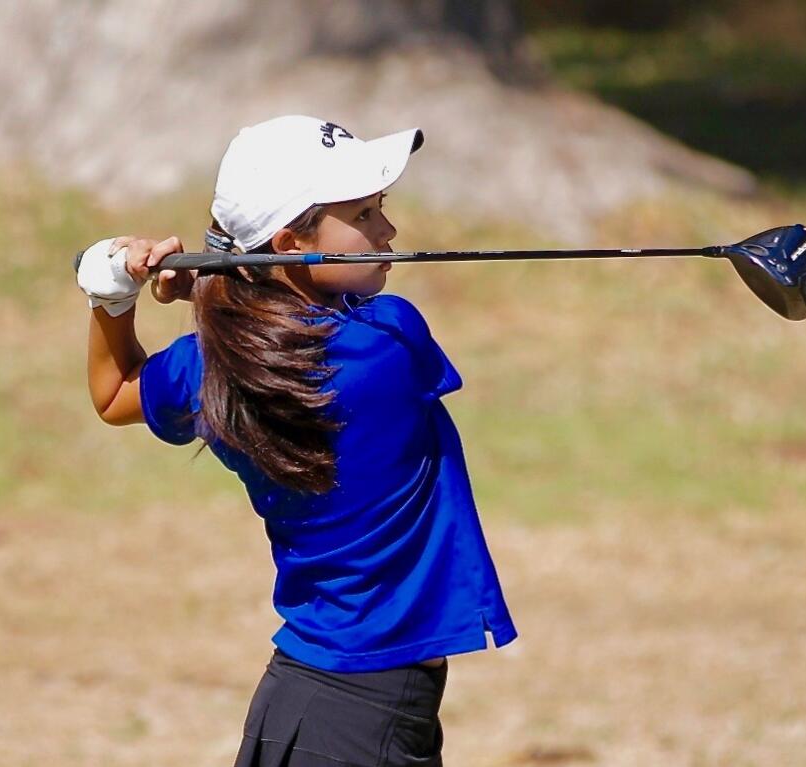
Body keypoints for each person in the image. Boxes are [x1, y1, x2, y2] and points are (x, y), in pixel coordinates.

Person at [80, 115, 516, 767]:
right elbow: (327, 323)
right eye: (364, 214)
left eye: (380, 208)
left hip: (321, 697)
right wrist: (210, 284)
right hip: (361, 716)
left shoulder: (208, 366)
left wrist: (113, 291)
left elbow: (114, 393)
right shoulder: (389, 345)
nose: (388, 231)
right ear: (290, 243)